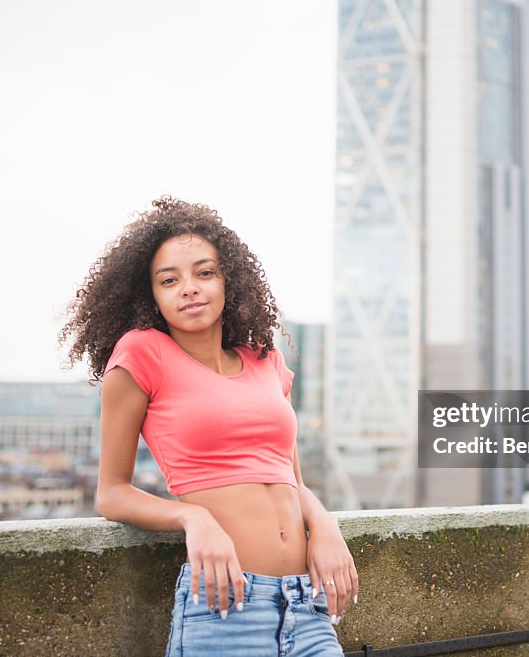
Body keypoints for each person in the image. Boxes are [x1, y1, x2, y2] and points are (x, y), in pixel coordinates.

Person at [60, 196, 357, 656]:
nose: (189, 289)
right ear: (151, 296)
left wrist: (325, 525)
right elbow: (111, 493)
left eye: (204, 273)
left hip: (307, 604)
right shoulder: (142, 354)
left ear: (228, 281)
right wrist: (193, 517)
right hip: (228, 608)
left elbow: (291, 479)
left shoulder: (266, 361)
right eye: (169, 280)